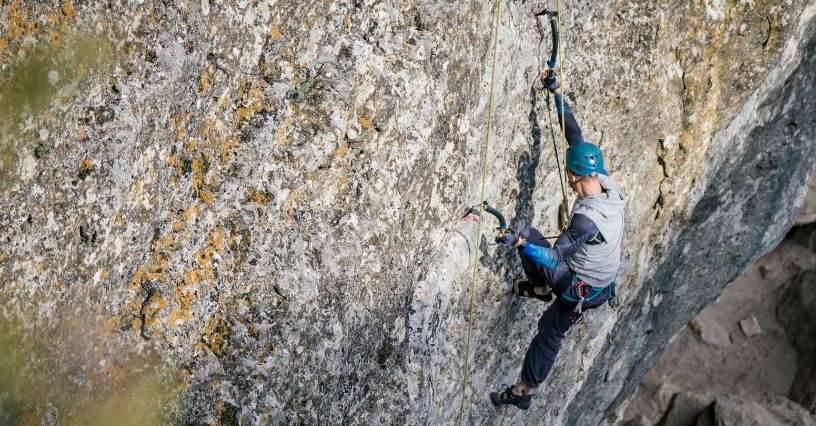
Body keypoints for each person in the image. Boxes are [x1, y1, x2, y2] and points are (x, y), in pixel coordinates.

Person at [489, 70, 625, 410]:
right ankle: (524, 388)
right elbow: (576, 139)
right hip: (599, 285)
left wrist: (519, 243)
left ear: (571, 175)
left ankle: (540, 292)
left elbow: (555, 257)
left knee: (531, 237)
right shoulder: (606, 184)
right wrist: (556, 94)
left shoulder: (585, 219)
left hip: (580, 286)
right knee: (550, 329)